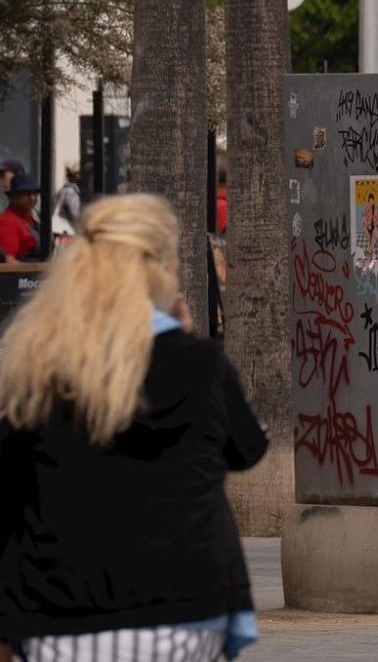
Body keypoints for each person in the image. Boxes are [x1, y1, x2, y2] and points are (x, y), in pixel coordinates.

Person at [0, 194, 268, 661]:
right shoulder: (198, 365)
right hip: (186, 606)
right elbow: (248, 448)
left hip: (61, 609)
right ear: (161, 265)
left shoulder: (37, 363)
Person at [0, 173, 42, 262]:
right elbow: (8, 262)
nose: (32, 197)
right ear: (13, 197)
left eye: (35, 193)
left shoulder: (29, 219)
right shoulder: (8, 222)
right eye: (26, 193)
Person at [52, 166, 82, 240]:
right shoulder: (71, 192)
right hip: (66, 231)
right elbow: (75, 214)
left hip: (57, 230)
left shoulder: (62, 190)